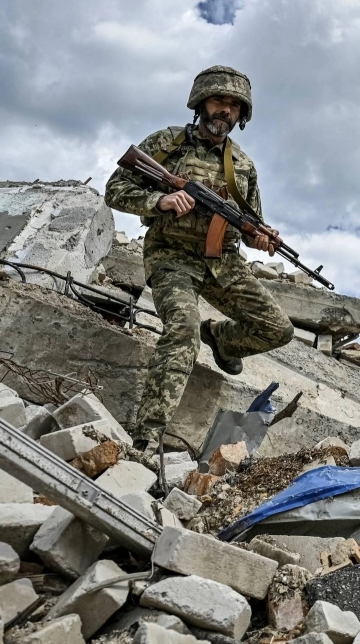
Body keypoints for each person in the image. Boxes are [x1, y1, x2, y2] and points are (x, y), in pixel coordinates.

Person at [105, 65, 294, 451]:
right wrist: (158, 200)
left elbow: (249, 223)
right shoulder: (167, 144)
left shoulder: (243, 166)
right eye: (219, 100)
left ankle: (221, 339)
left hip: (221, 262)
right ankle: (147, 438)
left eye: (234, 106)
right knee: (182, 334)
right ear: (201, 102)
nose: (225, 110)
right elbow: (115, 189)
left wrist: (260, 238)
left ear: (242, 115)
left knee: (278, 329)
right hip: (171, 257)